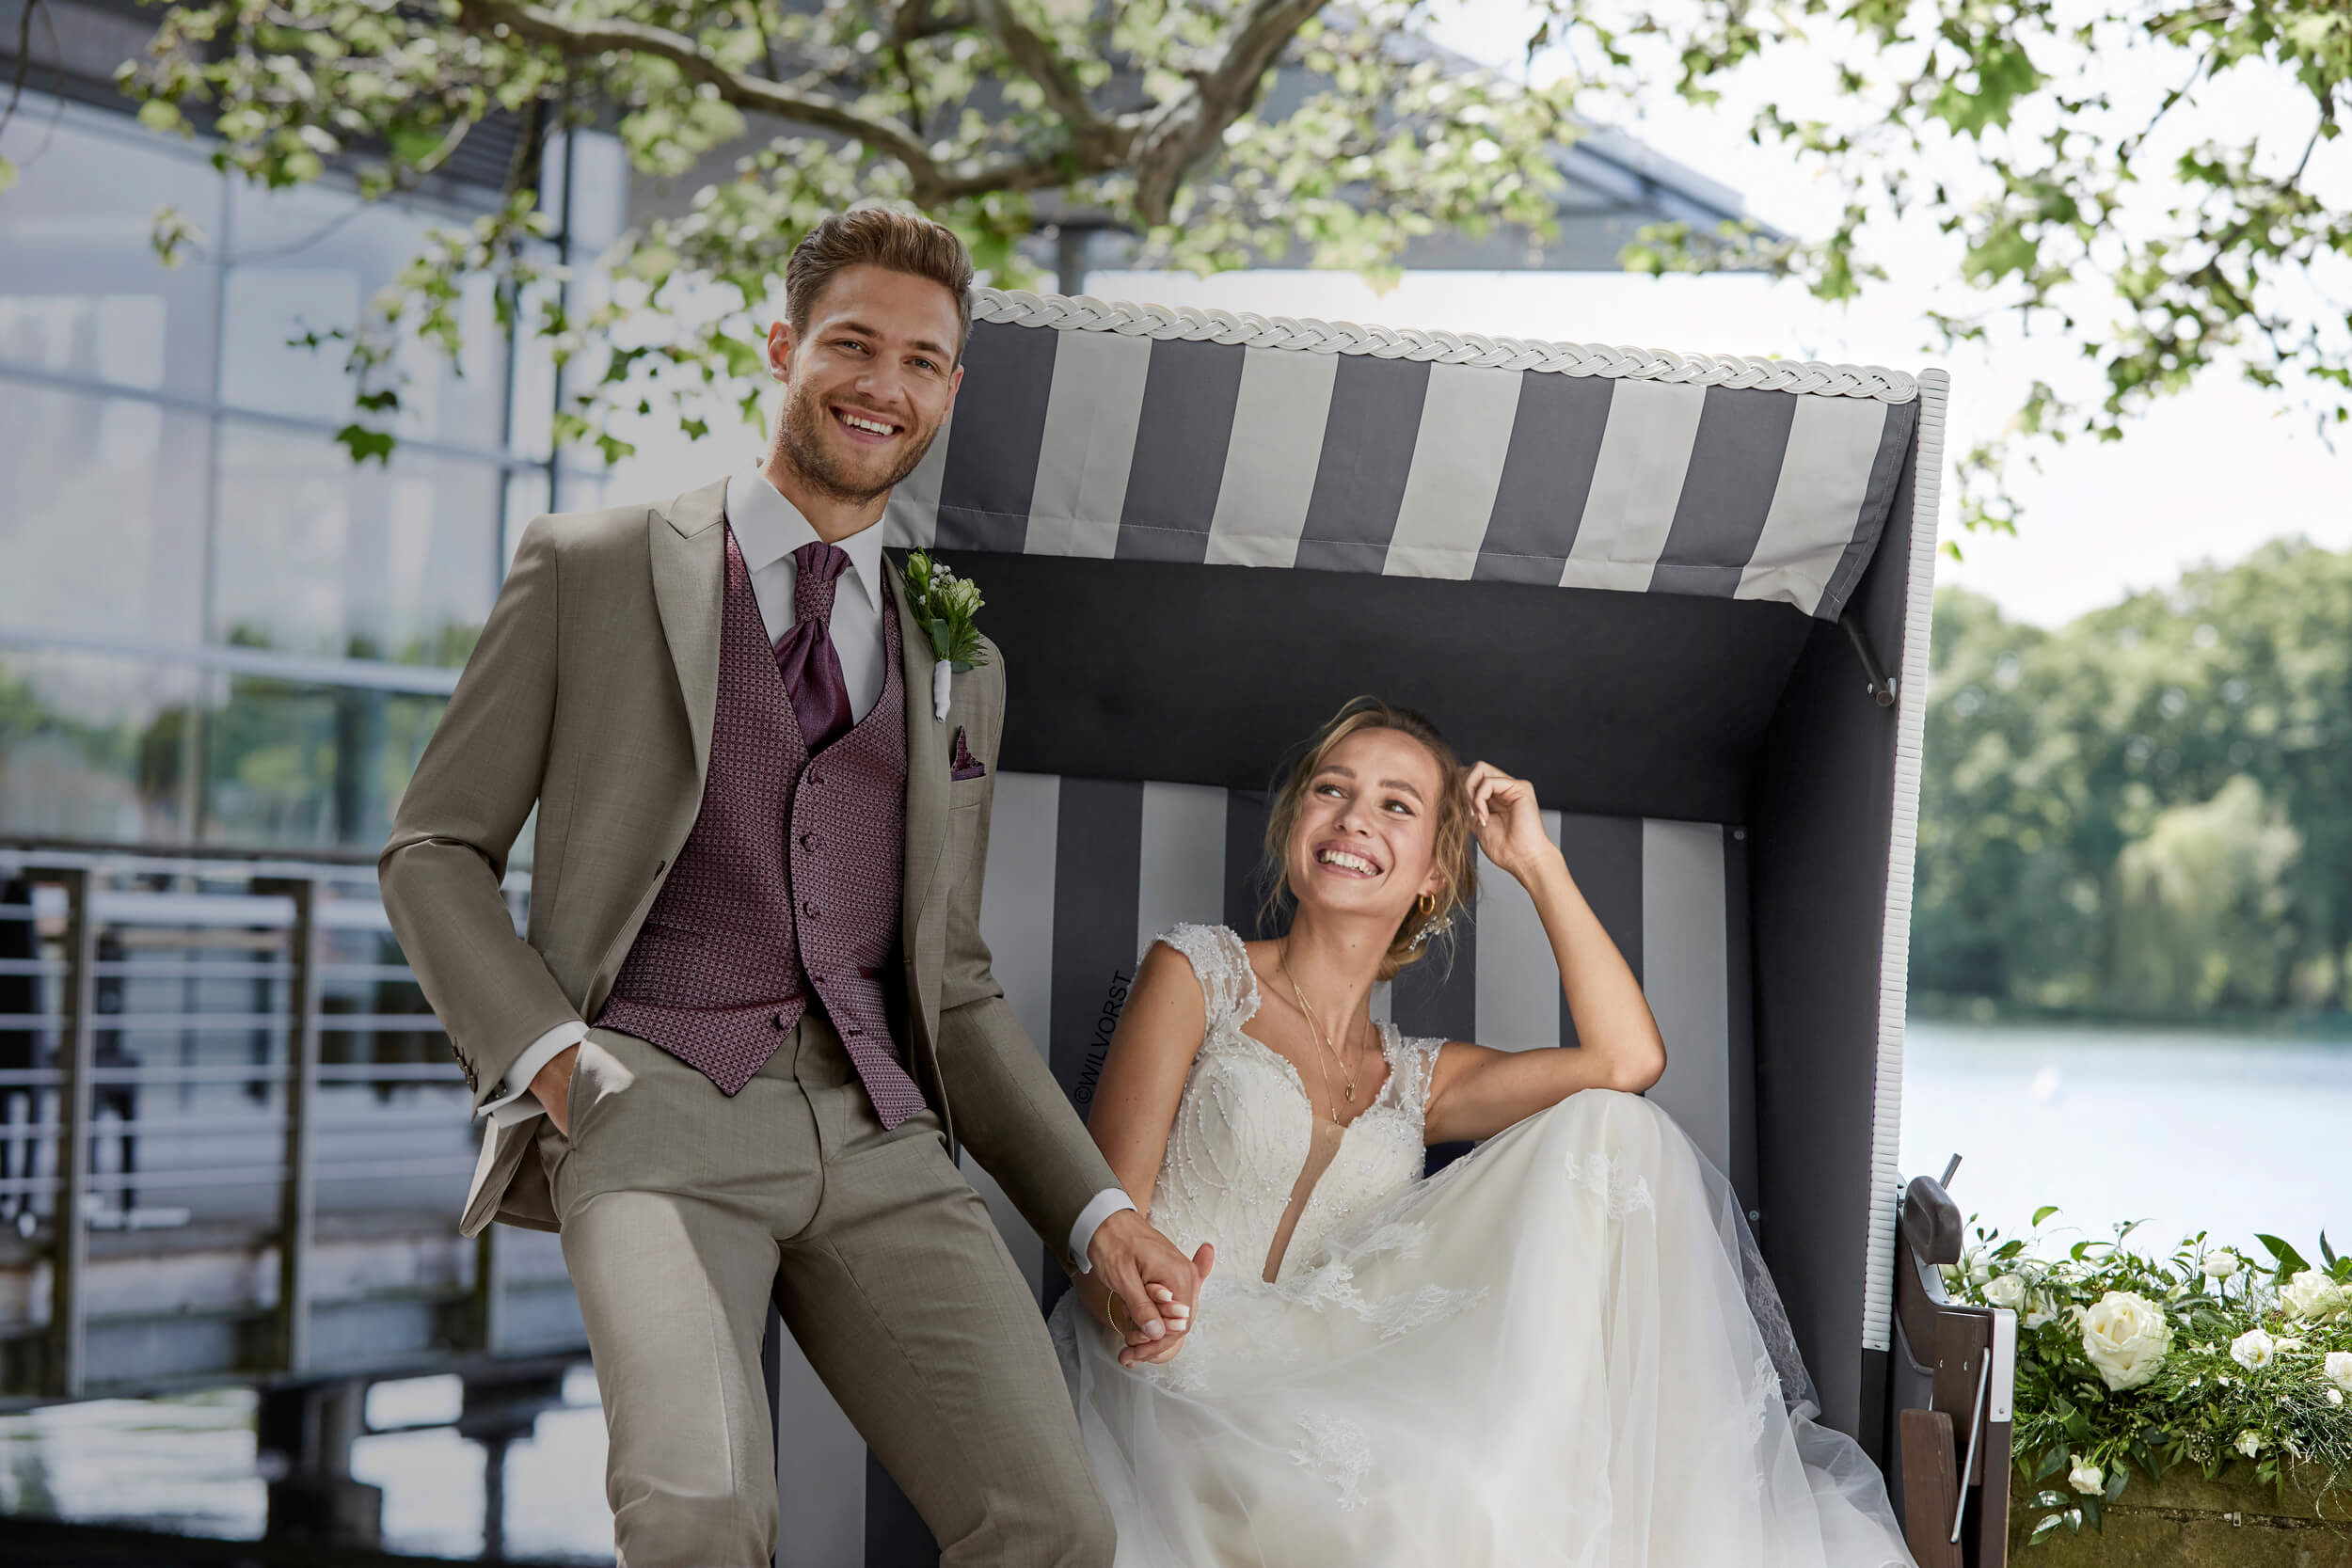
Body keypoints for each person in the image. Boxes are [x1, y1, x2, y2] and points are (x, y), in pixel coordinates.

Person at [380, 207, 1205, 1568]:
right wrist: (560, 1066)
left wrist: (1098, 1212)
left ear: (951, 388)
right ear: (783, 346)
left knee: (1052, 1523)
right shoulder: (593, 566)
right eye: (853, 343)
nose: (884, 385)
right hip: (653, 1107)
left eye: (922, 361)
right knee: (700, 1513)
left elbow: (949, 977)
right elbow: (432, 849)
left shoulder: (961, 657)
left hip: (879, 1134)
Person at [1056, 697, 1917, 1567]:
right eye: (1331, 789)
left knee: (1617, 1130)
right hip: (1169, 1359)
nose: (1354, 815)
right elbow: (1095, 1204)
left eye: (1396, 803)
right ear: (1295, 829)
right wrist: (1137, 1304)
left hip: (1327, 1383)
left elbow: (1627, 1059)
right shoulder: (1196, 971)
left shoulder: (1419, 1077)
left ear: (1434, 869)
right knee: (1407, 1512)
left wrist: (1535, 860)